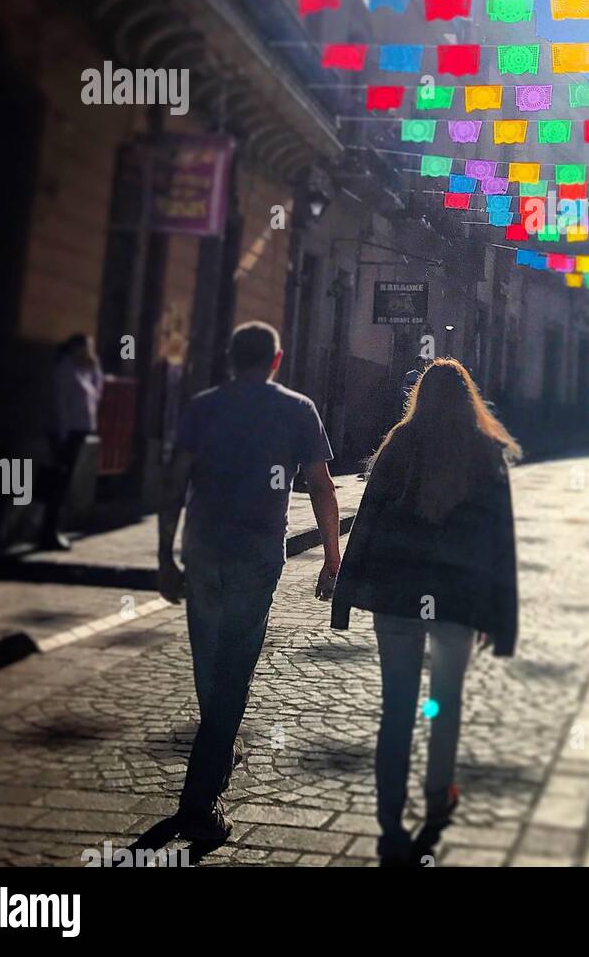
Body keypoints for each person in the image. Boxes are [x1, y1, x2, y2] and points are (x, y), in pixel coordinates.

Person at [331, 358, 519, 867]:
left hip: (398, 599)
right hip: (456, 601)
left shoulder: (400, 446)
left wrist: (347, 595)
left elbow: (367, 521)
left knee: (398, 708)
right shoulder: (485, 454)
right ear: (468, 401)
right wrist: (498, 616)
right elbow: (498, 543)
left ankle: (390, 815)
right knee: (445, 704)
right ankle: (439, 796)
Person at [157, 321, 339, 844]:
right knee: (233, 672)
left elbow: (174, 482)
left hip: (203, 551)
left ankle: (217, 749)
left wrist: (163, 556)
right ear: (277, 360)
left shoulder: (202, 407)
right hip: (256, 556)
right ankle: (199, 800)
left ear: (230, 358)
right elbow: (322, 486)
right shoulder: (297, 409)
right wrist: (332, 556)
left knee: (209, 664)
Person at [42, 334, 104, 551]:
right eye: (88, 347)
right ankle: (48, 530)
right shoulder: (65, 369)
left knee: (65, 482)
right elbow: (61, 404)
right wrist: (62, 433)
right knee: (58, 482)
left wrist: (96, 368)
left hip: (80, 432)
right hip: (65, 433)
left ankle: (54, 528)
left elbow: (97, 394)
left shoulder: (84, 371)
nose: (90, 351)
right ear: (77, 348)